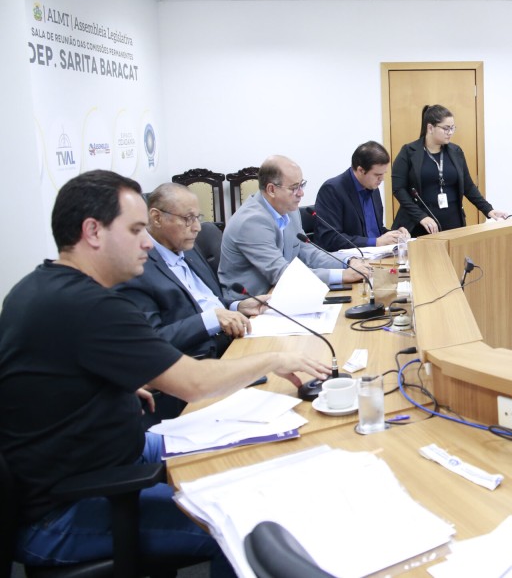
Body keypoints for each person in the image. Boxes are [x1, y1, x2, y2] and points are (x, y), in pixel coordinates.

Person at [0, 170, 329, 573]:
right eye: (136, 229)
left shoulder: (37, 287)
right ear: (93, 231)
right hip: (63, 511)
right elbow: (193, 384)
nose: (146, 242)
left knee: (247, 452)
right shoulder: (92, 307)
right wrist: (274, 359)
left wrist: (114, 385)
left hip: (105, 452)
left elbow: (50, 377)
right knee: (238, 524)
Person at [117, 183, 267, 421]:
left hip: (234, 343)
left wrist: (237, 306)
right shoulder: (137, 267)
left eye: (198, 217)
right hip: (198, 370)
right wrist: (213, 319)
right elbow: (154, 340)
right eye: (188, 219)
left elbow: (205, 300)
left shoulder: (186, 245)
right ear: (156, 217)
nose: (197, 227)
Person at [220, 155, 364, 300]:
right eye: (294, 188)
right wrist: (341, 275)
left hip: (282, 292)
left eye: (302, 185)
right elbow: (281, 273)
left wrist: (347, 262)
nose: (301, 193)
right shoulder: (251, 222)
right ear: (271, 189)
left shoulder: (289, 210)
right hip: (252, 302)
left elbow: (308, 252)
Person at [391, 104, 507, 236]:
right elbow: (398, 189)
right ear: (430, 128)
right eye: (446, 128)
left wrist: (488, 210)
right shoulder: (409, 152)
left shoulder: (456, 151)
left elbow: (468, 186)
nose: (450, 132)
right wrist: (421, 216)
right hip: (419, 225)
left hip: (453, 223)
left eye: (452, 128)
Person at [314, 141, 409, 252]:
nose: (382, 179)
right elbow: (330, 238)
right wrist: (376, 242)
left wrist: (395, 235)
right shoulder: (332, 190)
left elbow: (374, 232)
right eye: (377, 175)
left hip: (373, 255)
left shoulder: (373, 188)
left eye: (384, 174)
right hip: (347, 258)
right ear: (360, 170)